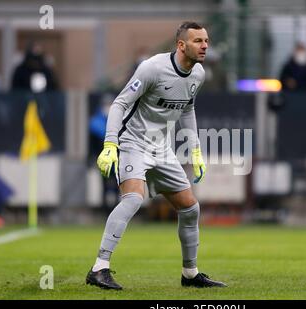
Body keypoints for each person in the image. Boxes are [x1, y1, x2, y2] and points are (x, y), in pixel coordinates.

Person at [86, 21, 227, 290]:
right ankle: (99, 268)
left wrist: (195, 149)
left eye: (206, 40)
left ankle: (190, 274)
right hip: (133, 143)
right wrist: (110, 144)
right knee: (133, 199)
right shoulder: (152, 68)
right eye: (198, 41)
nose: (205, 46)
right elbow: (120, 103)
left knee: (190, 208)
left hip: (161, 148)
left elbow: (187, 110)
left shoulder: (198, 74)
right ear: (181, 45)